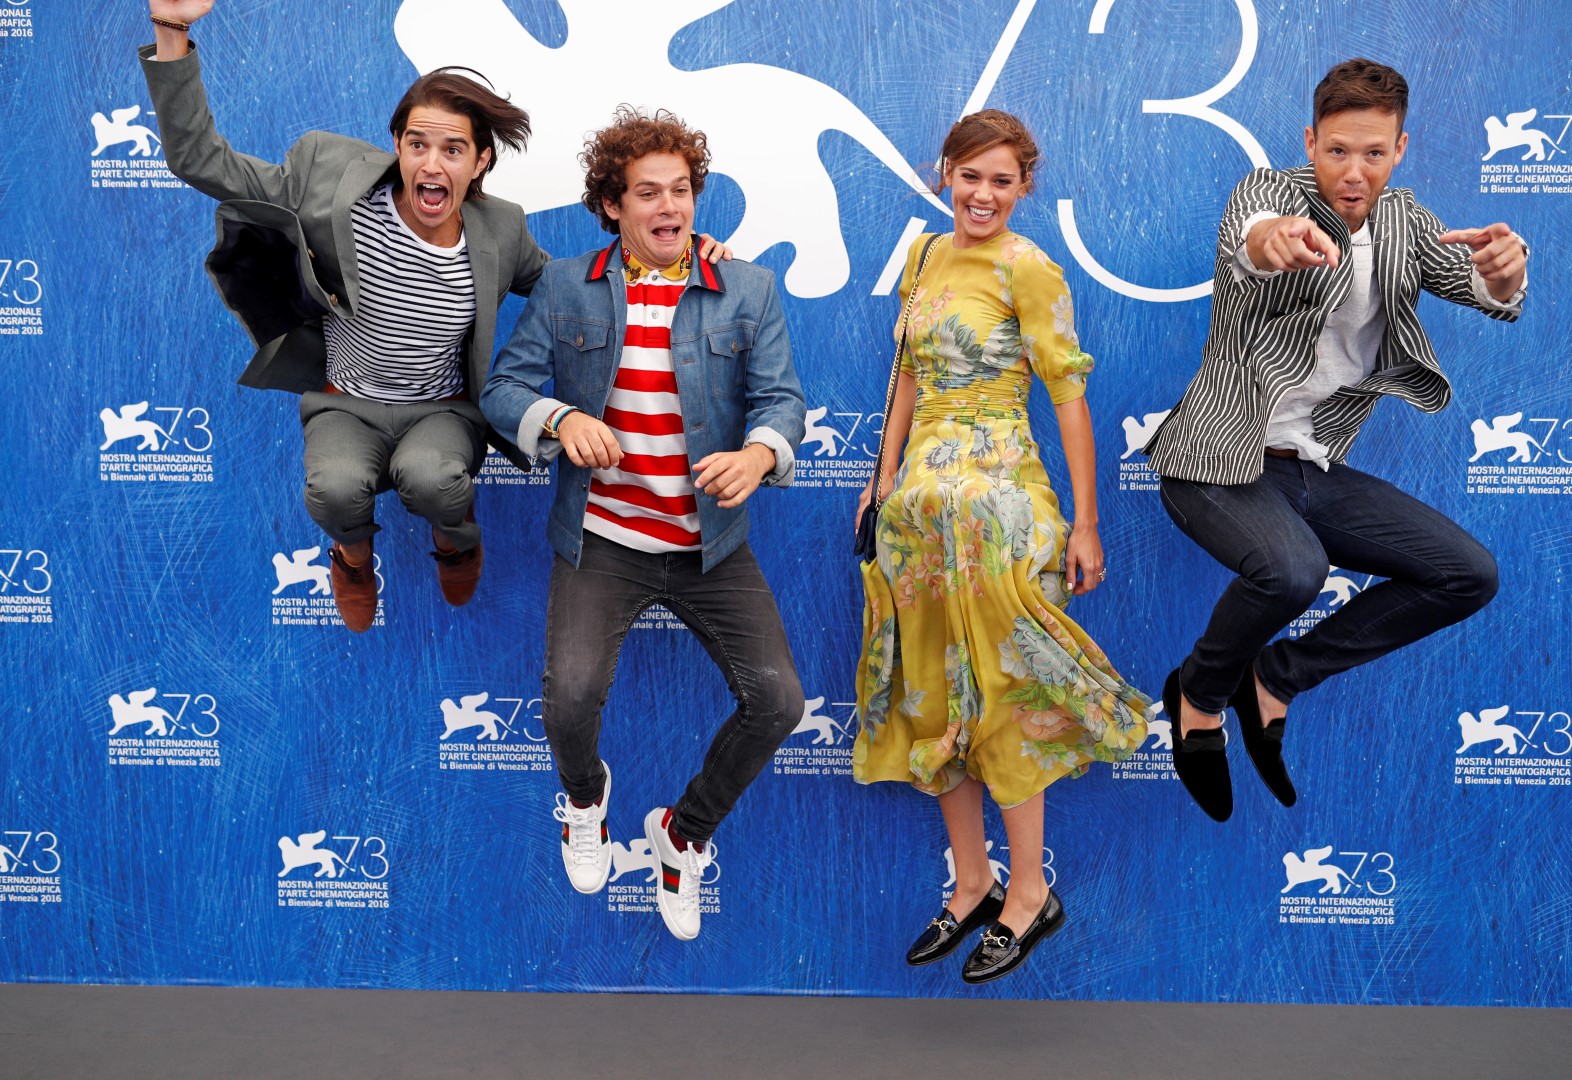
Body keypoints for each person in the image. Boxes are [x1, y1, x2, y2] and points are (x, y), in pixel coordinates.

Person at [140, 1, 729, 632]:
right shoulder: (331, 187)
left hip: (442, 411)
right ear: (397, 145)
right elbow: (199, 160)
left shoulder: (500, 229)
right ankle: (354, 560)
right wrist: (172, 31)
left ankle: (457, 542)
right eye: (417, 144)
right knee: (334, 490)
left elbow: (574, 290)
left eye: (453, 149)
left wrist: (682, 260)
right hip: (347, 400)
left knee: (434, 481)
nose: (431, 163)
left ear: (479, 163)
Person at [1146, 59, 1527, 822]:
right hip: (1217, 463)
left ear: (1400, 149)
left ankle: (1277, 677)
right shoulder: (1268, 197)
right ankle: (1199, 693)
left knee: (1468, 574)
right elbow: (1250, 240)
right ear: (1310, 141)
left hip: (1312, 471)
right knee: (1296, 572)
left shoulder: (1405, 223)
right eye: (1338, 151)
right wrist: (1272, 243)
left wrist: (1505, 274)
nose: (1354, 172)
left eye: (1375, 154)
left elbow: (1487, 291)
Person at [481, 107, 807, 942]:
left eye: (683, 190)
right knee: (571, 701)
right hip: (604, 538)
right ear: (613, 207)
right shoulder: (565, 286)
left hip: (709, 546)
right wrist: (557, 418)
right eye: (648, 193)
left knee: (778, 702)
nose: (670, 206)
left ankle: (682, 834)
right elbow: (503, 390)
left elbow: (781, 401)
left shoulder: (748, 287)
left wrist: (761, 456)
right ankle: (585, 801)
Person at [852, 110, 1150, 984]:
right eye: (968, 175)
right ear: (942, 172)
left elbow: (1067, 396)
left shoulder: (1031, 268)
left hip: (1001, 509)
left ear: (1025, 188)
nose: (982, 195)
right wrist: (882, 477)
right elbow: (905, 376)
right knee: (932, 694)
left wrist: (1087, 522)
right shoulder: (922, 257)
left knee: (1006, 695)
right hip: (919, 516)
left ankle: (1030, 893)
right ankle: (971, 881)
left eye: (1001, 180)